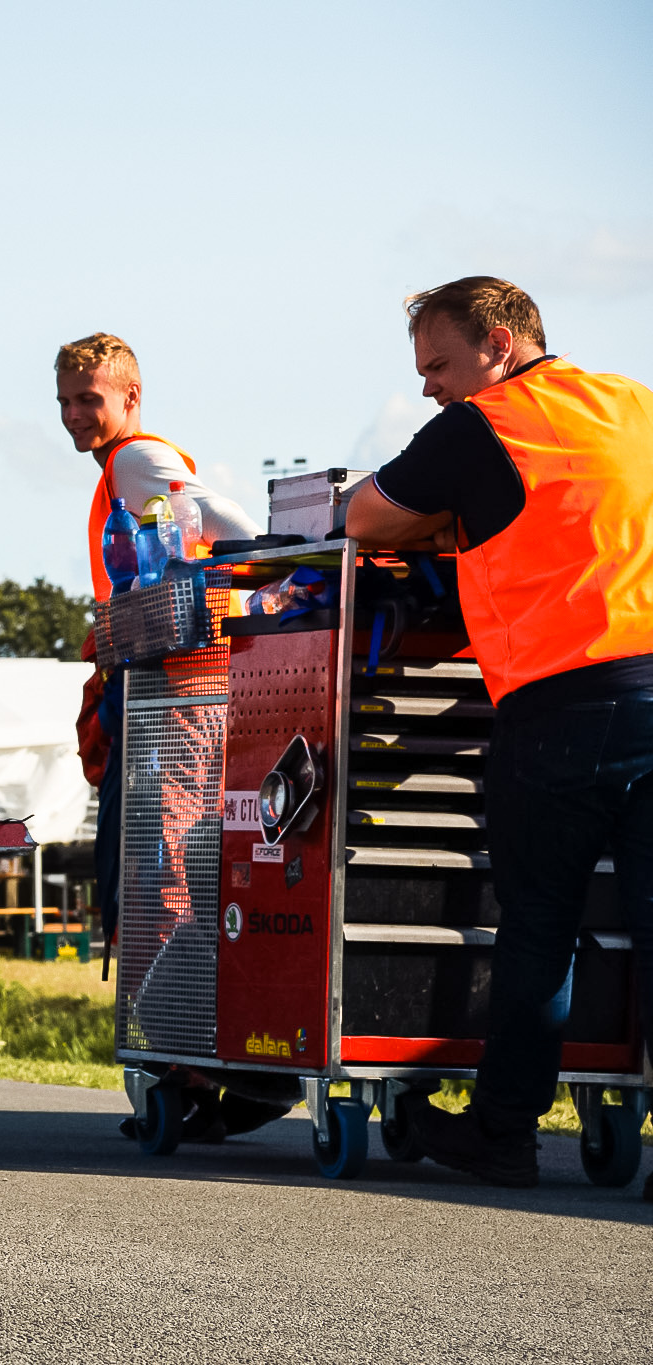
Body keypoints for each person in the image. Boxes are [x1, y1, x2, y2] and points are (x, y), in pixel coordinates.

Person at [348, 275, 653, 1190]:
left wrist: (444, 523)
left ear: (498, 341)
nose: (430, 387)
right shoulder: (634, 404)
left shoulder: (486, 425)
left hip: (562, 705)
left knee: (538, 929)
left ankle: (505, 1131)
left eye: (438, 364)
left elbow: (363, 517)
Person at [55, 333, 263, 1142]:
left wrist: (231, 589)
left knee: (162, 870)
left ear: (130, 397)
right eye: (66, 401)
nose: (76, 415)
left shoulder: (137, 460)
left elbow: (230, 523)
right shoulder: (124, 470)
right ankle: (188, 1057)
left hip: (177, 695)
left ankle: (185, 1052)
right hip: (163, 690)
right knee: (161, 868)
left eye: (90, 399)